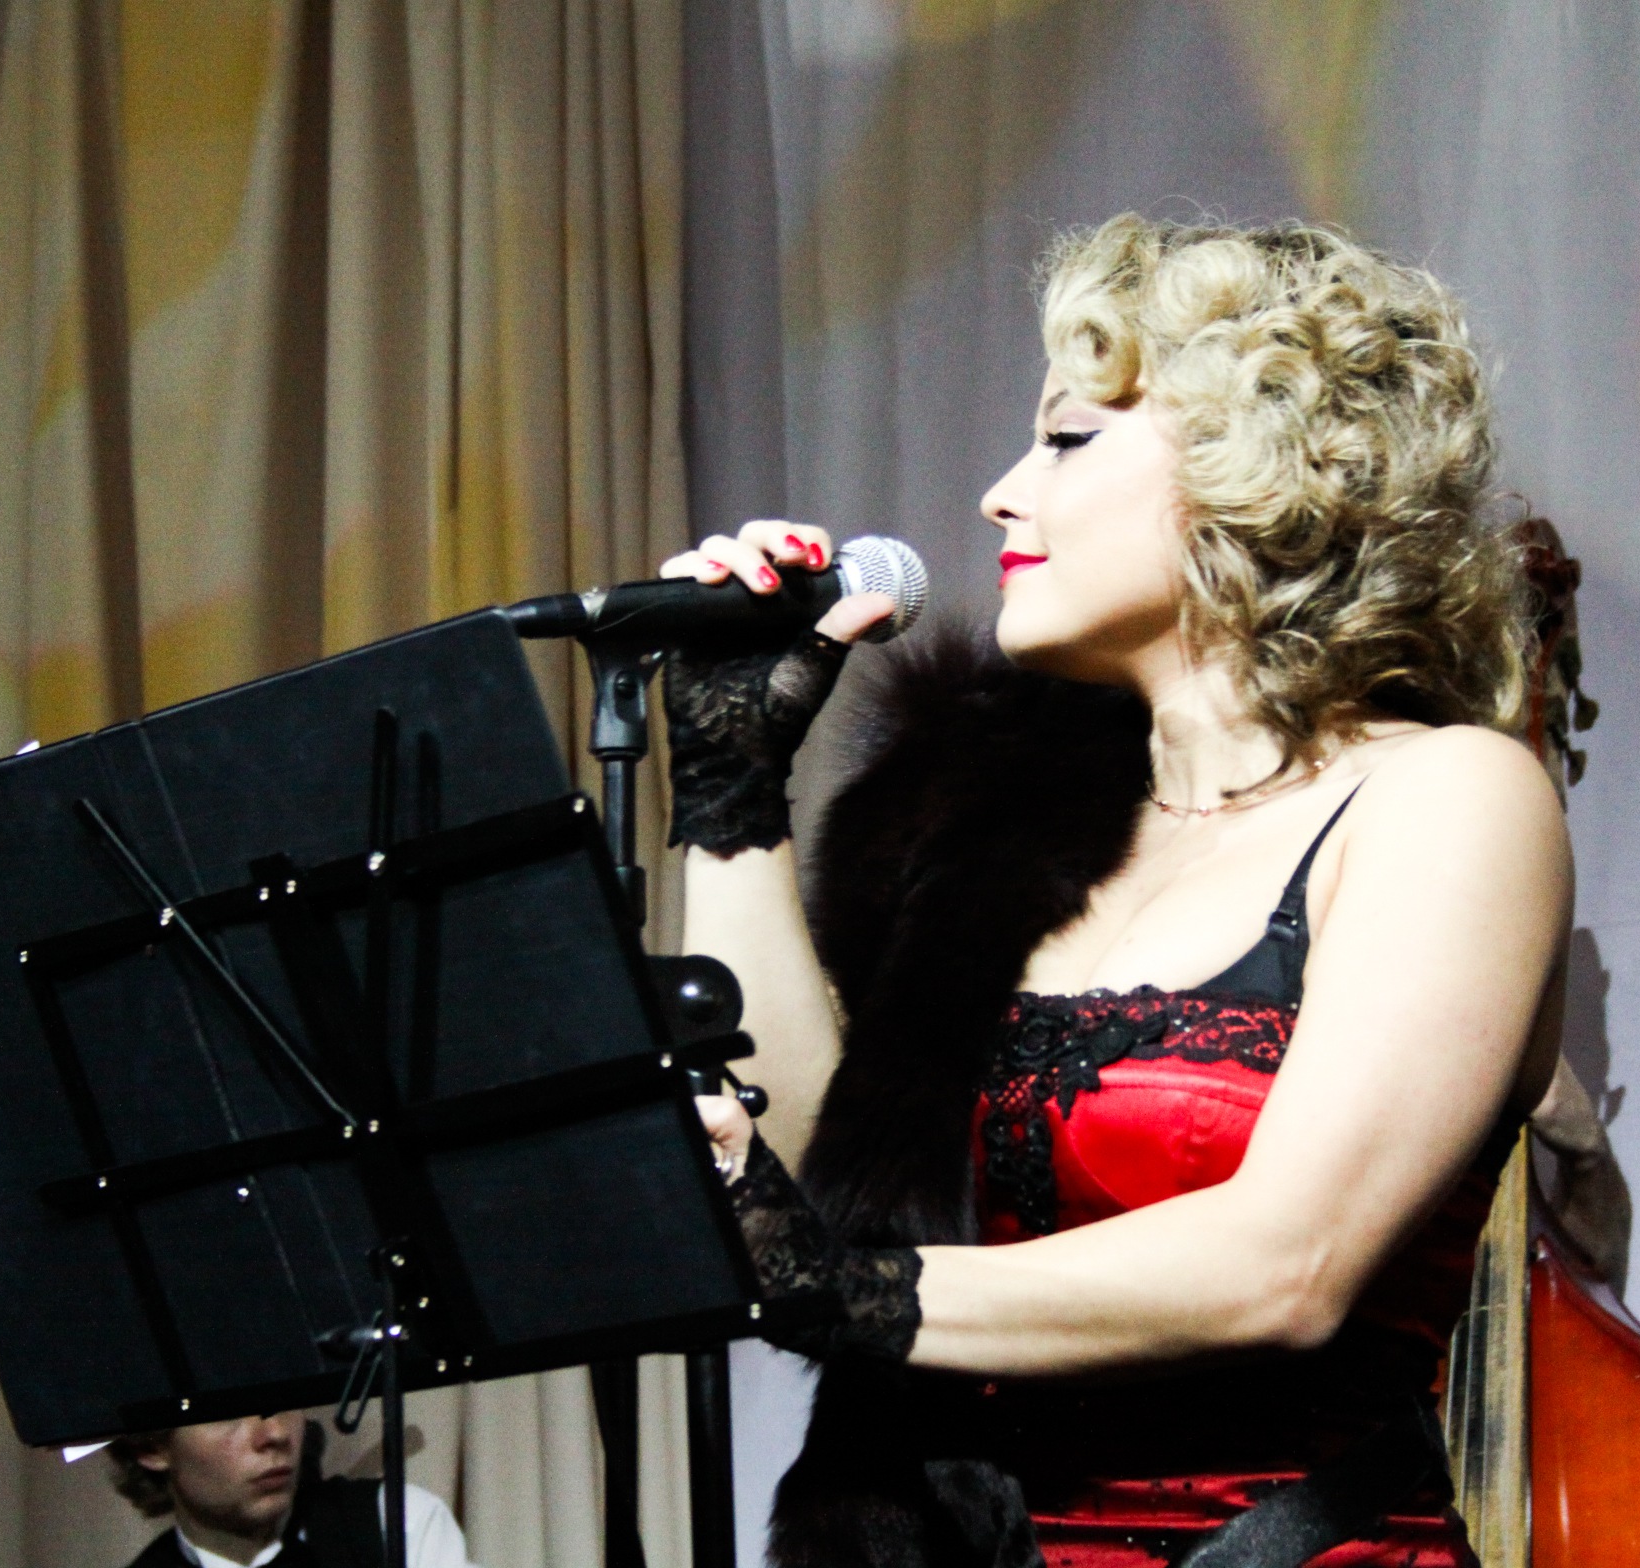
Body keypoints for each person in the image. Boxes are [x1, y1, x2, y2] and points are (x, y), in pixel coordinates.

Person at [657, 215, 1571, 1568]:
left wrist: (842, 1289)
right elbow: (816, 1193)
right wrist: (730, 788)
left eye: (1067, 440)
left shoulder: (1446, 795)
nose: (1000, 495)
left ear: (1265, 469)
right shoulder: (996, 831)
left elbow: (1289, 1265)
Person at [108, 1413, 477, 1568]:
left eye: (283, 1399)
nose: (276, 1433)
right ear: (151, 1448)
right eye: (229, 1412)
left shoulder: (396, 1523)